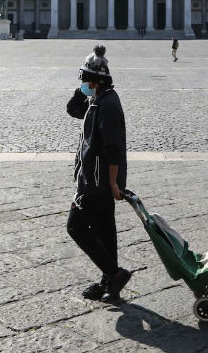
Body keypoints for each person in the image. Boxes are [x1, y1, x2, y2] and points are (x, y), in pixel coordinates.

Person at [65, 44, 132, 301]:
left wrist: (114, 183)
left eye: (85, 79)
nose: (81, 82)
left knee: (76, 227)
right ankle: (109, 282)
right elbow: (72, 110)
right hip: (95, 177)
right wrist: (82, 89)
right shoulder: (96, 99)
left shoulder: (109, 105)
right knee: (105, 228)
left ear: (97, 81)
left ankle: (114, 273)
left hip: (98, 181)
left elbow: (113, 148)